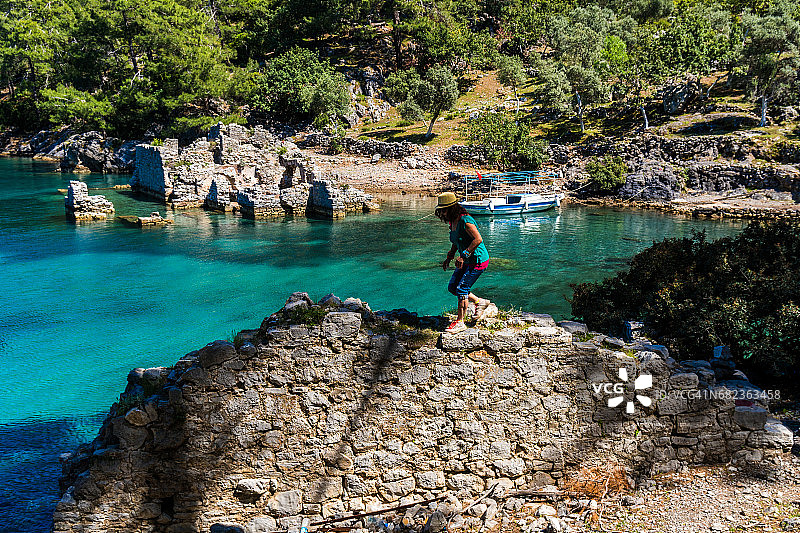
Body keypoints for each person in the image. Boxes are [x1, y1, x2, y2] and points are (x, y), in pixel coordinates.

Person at [435, 192, 491, 333]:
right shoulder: (452, 222)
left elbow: (478, 239)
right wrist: (450, 256)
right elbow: (456, 240)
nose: (442, 213)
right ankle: (479, 302)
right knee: (453, 287)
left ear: (453, 208)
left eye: (444, 209)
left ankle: (460, 322)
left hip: (477, 260)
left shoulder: (465, 221)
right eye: (441, 210)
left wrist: (464, 255)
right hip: (466, 260)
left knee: (461, 289)